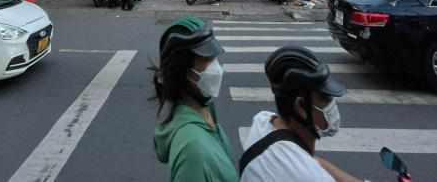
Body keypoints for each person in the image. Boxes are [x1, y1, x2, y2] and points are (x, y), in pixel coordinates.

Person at [241, 46, 362, 182]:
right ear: (301, 106)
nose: (332, 105)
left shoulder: (262, 122)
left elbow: (311, 161)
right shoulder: (309, 177)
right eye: (326, 99)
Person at [152, 17, 238, 182]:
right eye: (206, 60)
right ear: (182, 71)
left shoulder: (205, 112)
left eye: (214, 58)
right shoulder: (193, 150)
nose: (216, 68)